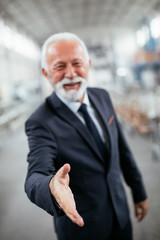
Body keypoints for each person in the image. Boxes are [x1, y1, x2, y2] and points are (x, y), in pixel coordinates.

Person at [25, 32, 148, 240]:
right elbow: (35, 175)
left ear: (88, 64)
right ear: (46, 73)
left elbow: (122, 150)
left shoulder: (102, 96)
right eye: (60, 67)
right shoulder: (40, 121)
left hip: (120, 216)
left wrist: (139, 192)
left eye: (77, 63)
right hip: (82, 229)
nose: (71, 73)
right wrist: (51, 187)